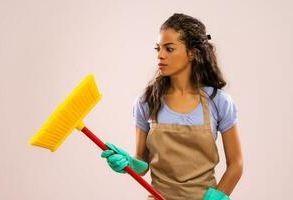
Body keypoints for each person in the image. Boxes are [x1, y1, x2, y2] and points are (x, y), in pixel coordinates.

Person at [101, 13, 243, 200]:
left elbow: (236, 163)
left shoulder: (218, 102)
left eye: (169, 49)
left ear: (192, 52)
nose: (160, 55)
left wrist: (217, 196)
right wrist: (129, 163)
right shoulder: (147, 101)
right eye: (158, 49)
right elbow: (142, 161)